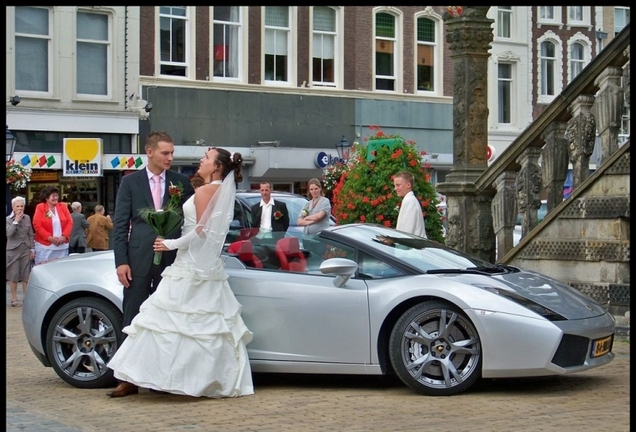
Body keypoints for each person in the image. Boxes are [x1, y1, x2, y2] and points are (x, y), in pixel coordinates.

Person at [107, 147, 253, 399]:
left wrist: (170, 244)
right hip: (201, 265)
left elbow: (202, 231)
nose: (201, 160)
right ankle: (190, 378)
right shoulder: (219, 191)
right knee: (195, 327)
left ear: (217, 167)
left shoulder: (206, 190)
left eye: (206, 158)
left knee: (170, 325)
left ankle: (162, 377)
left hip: (189, 264)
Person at [112, 130, 195, 334]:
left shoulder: (181, 182)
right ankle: (126, 364)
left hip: (171, 259)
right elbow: (121, 224)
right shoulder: (130, 182)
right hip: (138, 259)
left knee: (168, 316)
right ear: (150, 152)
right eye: (165, 153)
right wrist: (121, 262)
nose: (170, 158)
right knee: (133, 316)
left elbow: (190, 221)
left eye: (172, 153)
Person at [32, 186, 73, 265]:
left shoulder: (63, 206)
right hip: (45, 247)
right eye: (53, 196)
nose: (55, 198)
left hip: (62, 246)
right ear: (47, 198)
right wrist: (49, 238)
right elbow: (37, 225)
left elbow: (70, 222)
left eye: (56, 195)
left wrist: (64, 236)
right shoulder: (40, 207)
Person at [6, 196, 35, 307]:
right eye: (17, 206)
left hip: (25, 249)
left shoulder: (27, 218)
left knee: (25, 275)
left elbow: (30, 234)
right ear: (13, 207)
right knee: (13, 275)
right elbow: (9, 234)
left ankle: (26, 297)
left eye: (22, 206)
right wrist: (16, 221)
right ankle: (14, 298)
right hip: (12, 250)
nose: (20, 208)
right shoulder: (8, 219)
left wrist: (32, 249)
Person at [393, 171, 427, 238]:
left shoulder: (409, 201)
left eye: (398, 185)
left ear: (408, 185)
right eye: (395, 186)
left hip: (412, 246)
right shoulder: (409, 200)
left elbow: (406, 231)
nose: (395, 188)